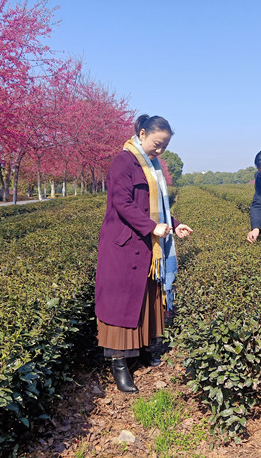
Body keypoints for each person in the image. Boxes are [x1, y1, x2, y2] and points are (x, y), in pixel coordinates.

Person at [95, 114, 193, 393]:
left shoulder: (152, 165)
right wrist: (153, 227)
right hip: (125, 244)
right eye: (157, 144)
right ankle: (119, 364)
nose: (159, 151)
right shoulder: (122, 162)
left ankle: (144, 350)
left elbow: (157, 205)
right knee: (120, 302)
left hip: (148, 245)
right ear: (141, 134)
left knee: (146, 299)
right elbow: (122, 203)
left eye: (164, 146)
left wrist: (173, 224)